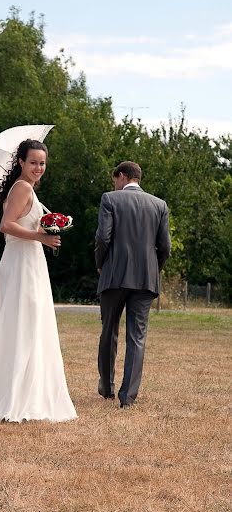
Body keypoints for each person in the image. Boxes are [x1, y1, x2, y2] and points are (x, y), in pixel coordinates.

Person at [0, 139, 77, 422]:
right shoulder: (23, 187)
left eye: (42, 163)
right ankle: (14, 397)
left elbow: (23, 220)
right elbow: (6, 225)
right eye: (34, 162)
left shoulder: (24, 188)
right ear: (21, 163)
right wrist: (41, 237)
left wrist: (49, 224)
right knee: (22, 326)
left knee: (28, 326)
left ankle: (26, 393)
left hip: (28, 261)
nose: (39, 168)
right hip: (21, 264)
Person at [95, 161, 171, 408]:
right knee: (137, 337)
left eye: (114, 179)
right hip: (146, 278)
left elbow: (102, 237)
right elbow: (165, 247)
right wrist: (153, 269)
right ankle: (127, 397)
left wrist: (100, 264)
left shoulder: (110, 199)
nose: (114, 184)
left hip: (114, 274)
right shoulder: (159, 205)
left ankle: (107, 387)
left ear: (122, 176)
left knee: (109, 331)